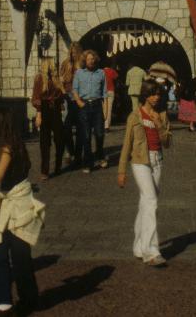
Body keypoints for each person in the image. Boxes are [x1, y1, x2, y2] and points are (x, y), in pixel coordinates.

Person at [0, 109, 44, 314]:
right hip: (22, 201)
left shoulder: (7, 148)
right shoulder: (18, 145)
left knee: (0, 254)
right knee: (20, 256)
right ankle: (27, 298)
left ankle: (5, 302)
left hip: (13, 205)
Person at [117, 79, 171, 266]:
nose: (156, 97)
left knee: (145, 202)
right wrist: (121, 170)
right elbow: (126, 145)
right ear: (145, 95)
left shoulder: (162, 115)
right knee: (151, 201)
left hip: (157, 160)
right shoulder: (135, 116)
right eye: (153, 94)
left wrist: (159, 125)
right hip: (140, 161)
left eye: (158, 94)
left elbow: (167, 143)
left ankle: (139, 246)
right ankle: (151, 251)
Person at [71, 49, 108, 171]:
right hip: (84, 106)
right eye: (88, 59)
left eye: (93, 59)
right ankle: (87, 162)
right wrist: (80, 103)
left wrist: (105, 110)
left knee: (99, 134)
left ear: (95, 60)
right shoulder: (79, 73)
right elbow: (74, 89)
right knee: (86, 136)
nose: (91, 61)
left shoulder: (101, 73)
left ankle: (100, 156)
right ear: (84, 61)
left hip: (97, 105)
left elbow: (104, 93)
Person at [30, 57, 64, 180]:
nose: (53, 66)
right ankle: (45, 170)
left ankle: (58, 166)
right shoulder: (39, 78)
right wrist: (38, 114)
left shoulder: (56, 79)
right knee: (45, 142)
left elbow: (61, 95)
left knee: (60, 139)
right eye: (52, 64)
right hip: (44, 109)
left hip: (55, 110)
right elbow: (36, 97)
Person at [58, 43, 83, 166]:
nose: (73, 54)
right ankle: (70, 152)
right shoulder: (65, 63)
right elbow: (60, 79)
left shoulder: (82, 63)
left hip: (80, 96)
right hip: (68, 96)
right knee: (66, 126)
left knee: (80, 127)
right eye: (71, 52)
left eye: (75, 52)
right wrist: (63, 93)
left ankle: (78, 154)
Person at [102, 62, 119, 130]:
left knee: (103, 109)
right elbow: (117, 80)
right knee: (109, 109)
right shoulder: (112, 71)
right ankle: (107, 126)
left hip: (102, 92)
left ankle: (102, 125)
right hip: (111, 91)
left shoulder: (100, 72)